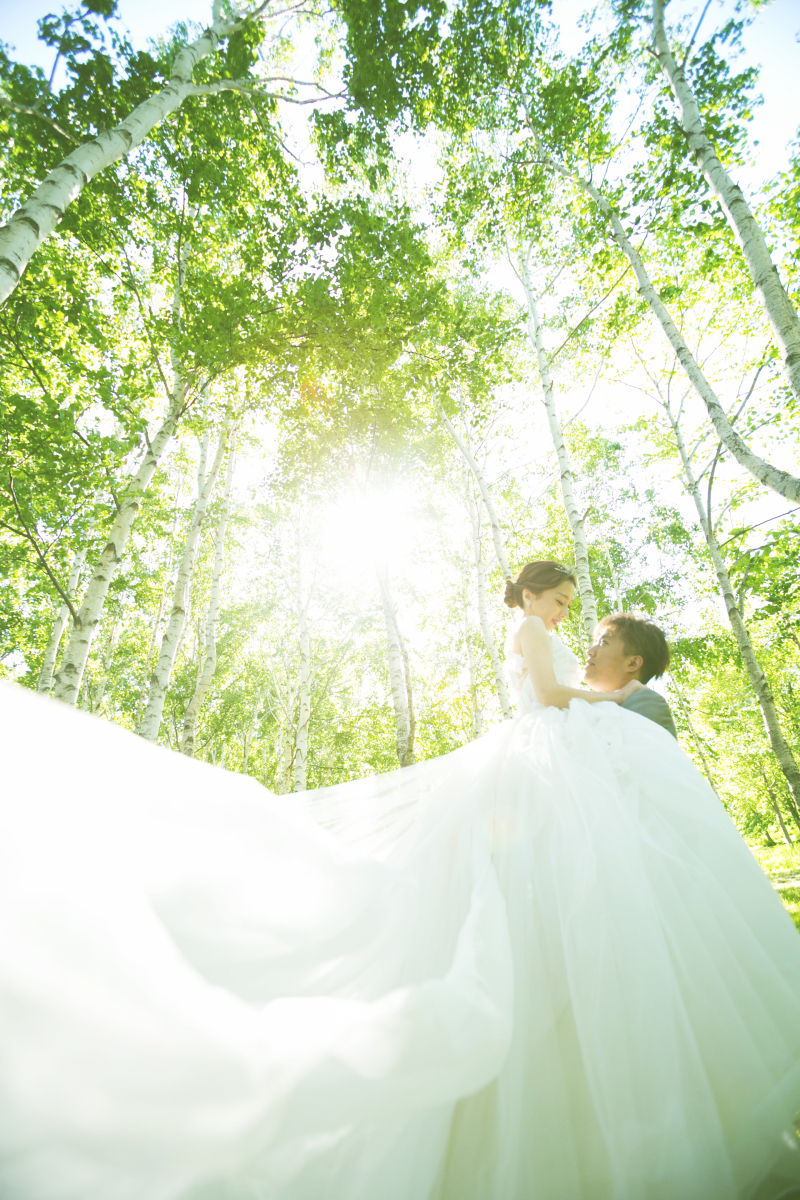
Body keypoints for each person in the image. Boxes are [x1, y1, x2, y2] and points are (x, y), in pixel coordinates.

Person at [2, 559, 800, 1200]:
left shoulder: (636, 705)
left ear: (629, 657)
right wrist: (585, 706)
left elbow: (581, 710)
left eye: (586, 622)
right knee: (495, 898)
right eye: (563, 606)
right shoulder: (544, 643)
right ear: (532, 596)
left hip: (554, 771)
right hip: (535, 765)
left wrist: (595, 711)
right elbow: (554, 696)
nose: (572, 625)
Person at [583, 611, 678, 738]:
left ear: (633, 663)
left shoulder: (645, 700)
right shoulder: (602, 707)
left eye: (603, 643)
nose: (590, 652)